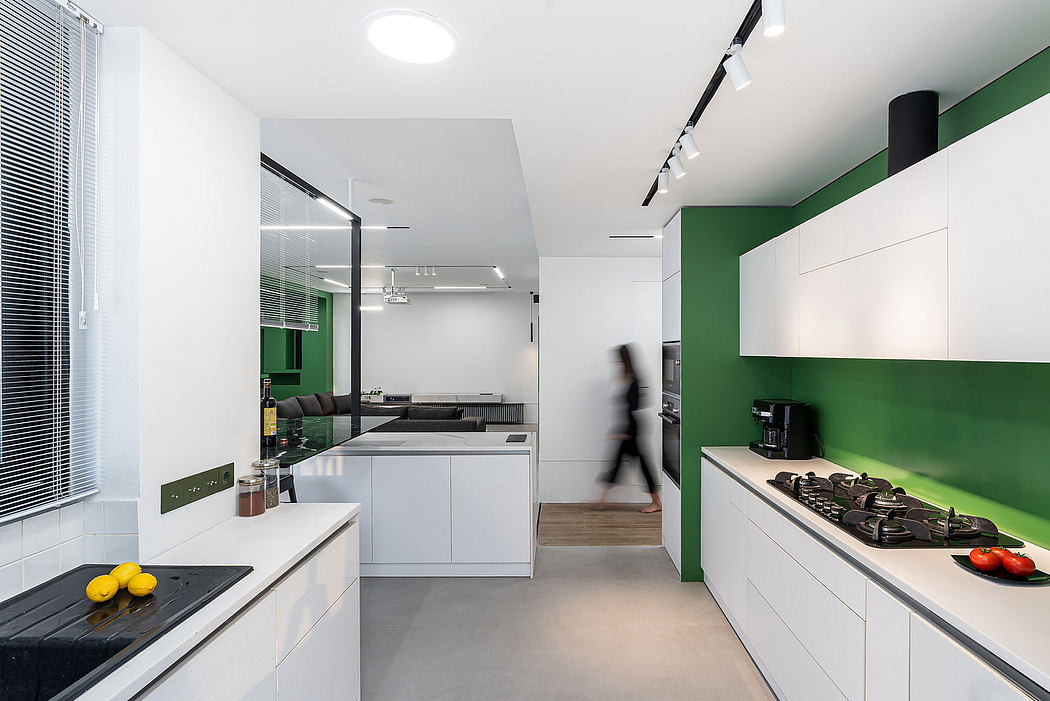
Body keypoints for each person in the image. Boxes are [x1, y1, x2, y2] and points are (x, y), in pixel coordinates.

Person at [594, 344, 661, 513]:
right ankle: (601, 500)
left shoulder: (633, 379)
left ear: (623, 359)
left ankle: (656, 502)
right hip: (630, 427)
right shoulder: (631, 377)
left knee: (641, 465)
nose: (616, 362)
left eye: (618, 359)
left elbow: (634, 406)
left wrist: (626, 432)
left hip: (632, 429)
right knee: (620, 462)